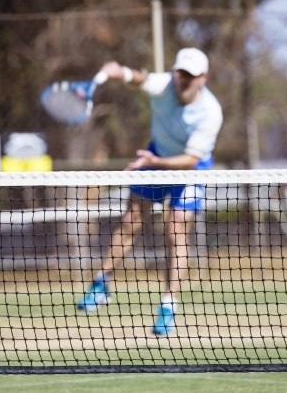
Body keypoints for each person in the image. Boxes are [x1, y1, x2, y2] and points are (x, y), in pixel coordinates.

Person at [77, 47, 223, 336]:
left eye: (191, 76)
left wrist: (155, 162)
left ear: (203, 78)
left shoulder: (210, 113)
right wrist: (119, 72)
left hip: (190, 165)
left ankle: (169, 306)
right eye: (181, 73)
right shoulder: (164, 84)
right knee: (131, 220)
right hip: (156, 154)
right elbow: (139, 78)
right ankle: (101, 285)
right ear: (175, 73)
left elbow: (191, 160)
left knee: (175, 229)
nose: (184, 80)